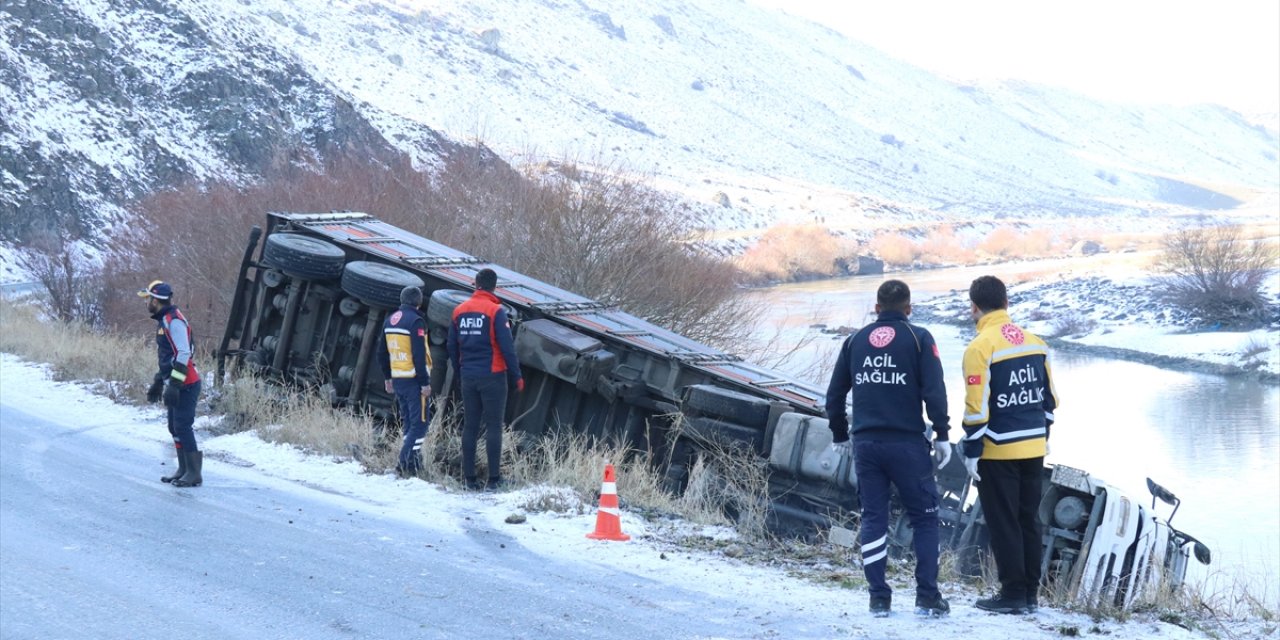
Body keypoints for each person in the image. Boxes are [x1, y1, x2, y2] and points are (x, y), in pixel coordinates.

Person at [825, 279, 953, 618]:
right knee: (925, 520)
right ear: (909, 309)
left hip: (866, 444)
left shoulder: (854, 341)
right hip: (907, 444)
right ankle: (927, 596)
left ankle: (878, 598)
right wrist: (942, 434)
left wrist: (840, 434)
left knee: (873, 518)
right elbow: (934, 391)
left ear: (877, 307)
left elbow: (835, 396)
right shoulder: (919, 338)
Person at [959, 275, 1059, 615]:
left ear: (974, 307)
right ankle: (1031, 594)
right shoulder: (1036, 343)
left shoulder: (979, 348)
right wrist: (1042, 438)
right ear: (1006, 303)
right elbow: (1050, 401)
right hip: (1033, 447)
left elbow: (977, 409)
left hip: (998, 449)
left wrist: (972, 450)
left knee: (1003, 522)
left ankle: (1013, 594)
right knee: (1029, 520)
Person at [447, 268, 523, 491]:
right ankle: (493, 480)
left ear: (475, 283)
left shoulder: (458, 311)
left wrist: (460, 369)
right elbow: (507, 347)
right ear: (494, 286)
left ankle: (469, 479)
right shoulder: (495, 311)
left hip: (468, 376)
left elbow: (452, 345)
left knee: (470, 426)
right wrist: (516, 375)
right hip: (493, 376)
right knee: (493, 427)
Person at [139, 280, 203, 487]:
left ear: (156, 300)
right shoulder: (164, 319)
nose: (146, 302)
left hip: (187, 383)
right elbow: (169, 357)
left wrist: (175, 384)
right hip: (175, 382)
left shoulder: (173, 320)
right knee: (173, 427)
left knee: (183, 426)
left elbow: (184, 352)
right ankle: (183, 469)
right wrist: (159, 380)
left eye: (148, 298)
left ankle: (194, 473)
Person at [379, 285, 432, 477]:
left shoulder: (389, 321)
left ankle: (414, 467)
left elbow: (381, 353)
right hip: (414, 381)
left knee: (409, 424)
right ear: (418, 303)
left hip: (398, 379)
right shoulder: (416, 321)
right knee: (420, 424)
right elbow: (418, 354)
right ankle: (403, 464)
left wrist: (387, 377)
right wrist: (424, 382)